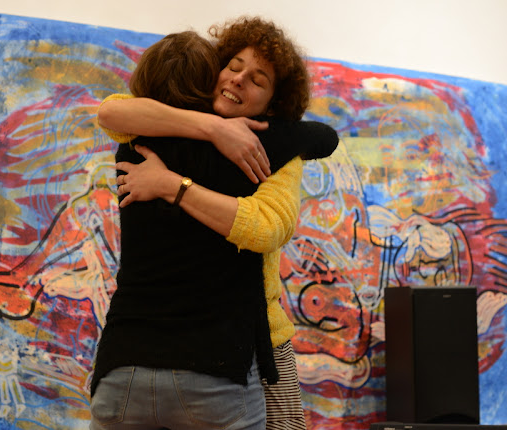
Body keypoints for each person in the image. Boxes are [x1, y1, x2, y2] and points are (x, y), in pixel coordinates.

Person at [91, 19, 337, 430]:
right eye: (234, 66)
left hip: (253, 340)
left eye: (257, 79)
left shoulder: (269, 149)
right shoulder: (158, 124)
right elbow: (109, 110)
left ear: (274, 103)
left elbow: (267, 226)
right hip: (217, 363)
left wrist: (171, 185)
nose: (239, 79)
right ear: (214, 71)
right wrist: (215, 128)